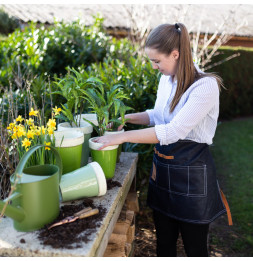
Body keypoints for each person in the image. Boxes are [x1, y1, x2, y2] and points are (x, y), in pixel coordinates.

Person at [93, 22, 232, 257]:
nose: (154, 66)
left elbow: (172, 131)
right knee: (164, 246)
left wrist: (119, 137)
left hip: (192, 178)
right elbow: (157, 116)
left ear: (175, 54)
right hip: (164, 171)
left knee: (196, 249)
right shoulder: (167, 80)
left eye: (157, 61)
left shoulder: (205, 86)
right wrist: (122, 119)